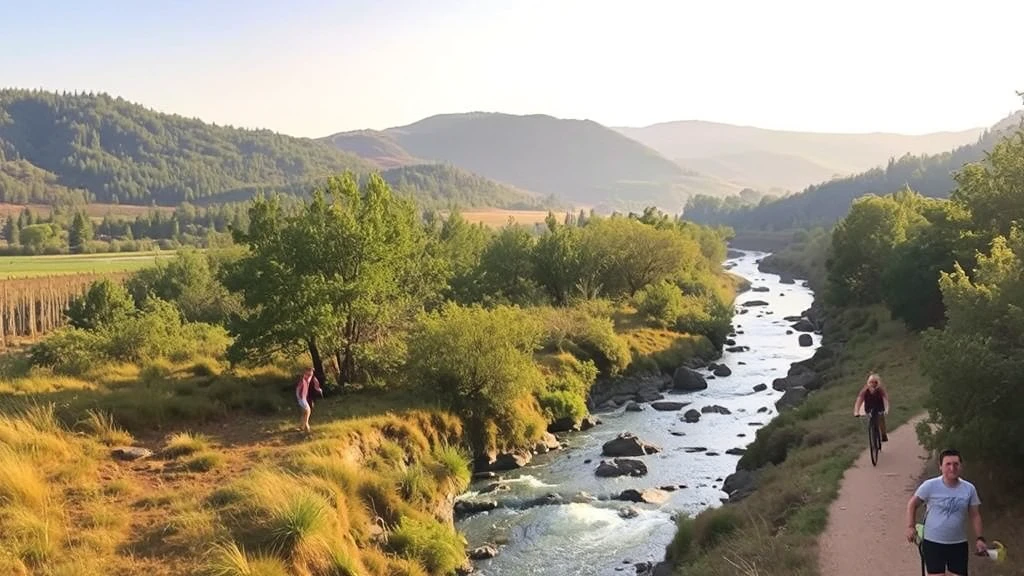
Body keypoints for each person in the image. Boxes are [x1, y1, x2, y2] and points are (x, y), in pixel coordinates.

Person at [905, 449, 986, 576]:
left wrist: (980, 538)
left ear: (961, 466)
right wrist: (910, 526)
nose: (952, 468)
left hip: (958, 543)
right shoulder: (930, 486)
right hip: (933, 542)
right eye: (948, 464)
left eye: (956, 464)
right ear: (940, 467)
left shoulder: (969, 489)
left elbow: (975, 515)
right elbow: (912, 504)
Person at [853, 372, 889, 441]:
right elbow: (859, 400)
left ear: (877, 383)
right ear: (868, 383)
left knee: (881, 418)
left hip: (879, 406)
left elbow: (885, 400)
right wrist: (856, 411)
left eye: (875, 382)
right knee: (869, 418)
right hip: (869, 407)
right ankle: (872, 432)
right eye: (871, 382)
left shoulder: (880, 390)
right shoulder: (865, 390)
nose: (873, 384)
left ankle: (883, 434)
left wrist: (886, 410)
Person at [295, 367, 323, 433]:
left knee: (304, 412)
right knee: (308, 411)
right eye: (309, 372)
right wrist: (298, 397)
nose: (311, 373)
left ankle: (302, 426)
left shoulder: (310, 378)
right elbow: (298, 389)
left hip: (304, 398)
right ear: (305, 372)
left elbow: (316, 384)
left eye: (312, 372)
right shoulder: (303, 380)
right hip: (302, 398)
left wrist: (319, 389)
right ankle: (306, 425)